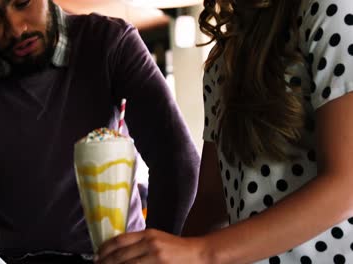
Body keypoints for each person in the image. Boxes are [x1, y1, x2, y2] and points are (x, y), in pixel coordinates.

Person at [0, 0, 200, 263]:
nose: (16, 28)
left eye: (23, 3)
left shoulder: (110, 42)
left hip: (115, 256)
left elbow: (176, 160)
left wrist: (153, 249)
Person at [96, 0, 353, 263]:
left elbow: (346, 184)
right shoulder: (224, 57)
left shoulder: (332, 8)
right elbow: (210, 199)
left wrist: (201, 252)